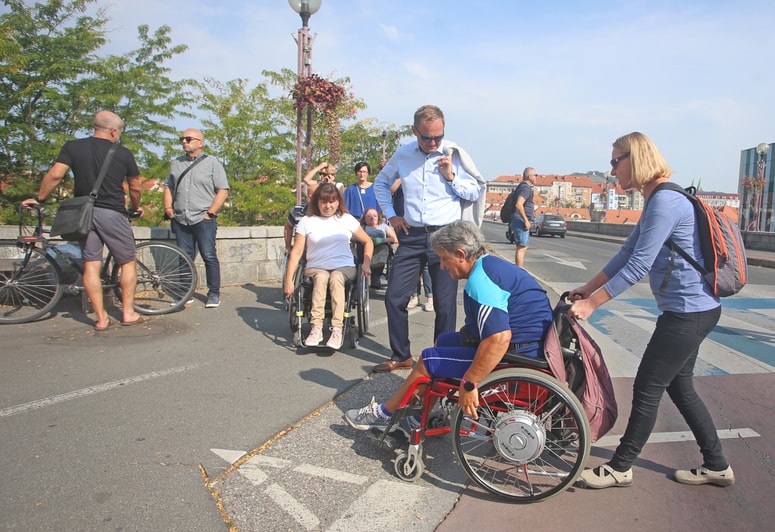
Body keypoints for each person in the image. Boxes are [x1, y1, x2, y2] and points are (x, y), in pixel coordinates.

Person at [568, 132, 735, 489]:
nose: (612, 169)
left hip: (689, 313)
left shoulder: (665, 202)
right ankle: (717, 465)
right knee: (681, 387)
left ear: (636, 158)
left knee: (647, 386)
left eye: (616, 161)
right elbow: (626, 252)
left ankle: (620, 467)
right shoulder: (656, 199)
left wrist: (591, 305)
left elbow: (637, 266)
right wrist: (587, 287)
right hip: (691, 311)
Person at [345, 221, 553, 434]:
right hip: (530, 345)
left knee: (428, 360)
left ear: (461, 254)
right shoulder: (489, 264)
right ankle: (417, 418)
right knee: (443, 341)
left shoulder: (481, 281)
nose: (442, 266)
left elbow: (498, 338)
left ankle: (383, 415)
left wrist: (470, 382)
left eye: (444, 258)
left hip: (518, 355)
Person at [372, 105, 482, 373]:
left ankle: (440, 359)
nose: (433, 143)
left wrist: (451, 176)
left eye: (438, 137)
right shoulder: (403, 154)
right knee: (394, 298)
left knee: (444, 306)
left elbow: (475, 191)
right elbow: (380, 184)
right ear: (415, 132)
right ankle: (401, 355)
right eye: (426, 138)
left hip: (445, 238)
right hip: (411, 235)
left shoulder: (453, 153)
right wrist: (391, 216)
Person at [21, 111, 147, 330]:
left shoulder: (73, 147)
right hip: (112, 212)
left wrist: (40, 199)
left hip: (84, 213)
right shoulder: (123, 153)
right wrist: (135, 208)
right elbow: (135, 186)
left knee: (91, 264)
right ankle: (128, 312)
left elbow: (55, 175)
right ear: (113, 131)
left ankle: (101, 318)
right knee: (127, 261)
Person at [284, 183, 373, 350]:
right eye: (324, 202)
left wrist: (366, 264)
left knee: (336, 277)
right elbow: (296, 253)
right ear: (316, 202)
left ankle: (337, 329)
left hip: (344, 266)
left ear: (338, 202)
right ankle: (316, 327)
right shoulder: (306, 221)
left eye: (332, 201)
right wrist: (288, 280)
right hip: (316, 266)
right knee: (322, 276)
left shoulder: (346, 219)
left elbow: (368, 241)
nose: (328, 206)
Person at [163, 128, 229, 309]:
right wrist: (168, 209)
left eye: (189, 139)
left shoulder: (212, 163)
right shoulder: (176, 163)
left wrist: (211, 213)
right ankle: (185, 293)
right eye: (182, 139)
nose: (184, 142)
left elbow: (223, 190)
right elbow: (168, 186)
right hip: (180, 218)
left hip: (203, 218)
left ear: (201, 142)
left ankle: (213, 293)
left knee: (209, 256)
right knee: (184, 257)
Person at [360, 207, 397, 289]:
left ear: (378, 217)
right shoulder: (362, 227)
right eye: (369, 216)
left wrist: (381, 240)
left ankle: (375, 274)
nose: (372, 218)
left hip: (380, 247)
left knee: (385, 248)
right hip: (364, 249)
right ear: (364, 218)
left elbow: (395, 239)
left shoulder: (383, 227)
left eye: (374, 216)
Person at [511, 167, 536, 267]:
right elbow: (519, 204)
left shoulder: (522, 186)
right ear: (529, 176)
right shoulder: (526, 188)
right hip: (520, 219)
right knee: (522, 246)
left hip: (519, 218)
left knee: (522, 246)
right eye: (535, 175)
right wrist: (526, 220)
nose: (536, 177)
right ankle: (519, 271)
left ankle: (519, 269)